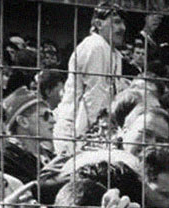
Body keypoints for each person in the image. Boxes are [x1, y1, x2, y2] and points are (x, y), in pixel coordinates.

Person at [52, 2, 128, 156]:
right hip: (76, 129)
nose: (122, 28)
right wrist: (86, 139)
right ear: (99, 24)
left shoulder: (111, 52)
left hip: (90, 130)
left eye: (123, 23)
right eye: (116, 22)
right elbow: (94, 97)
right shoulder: (96, 46)